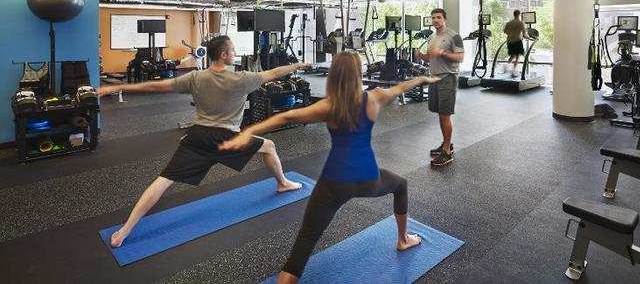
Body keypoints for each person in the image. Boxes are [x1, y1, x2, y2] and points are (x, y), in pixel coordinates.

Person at [219, 51, 439, 283]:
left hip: (333, 183)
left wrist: (249, 132)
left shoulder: (328, 106)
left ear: (334, 76)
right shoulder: (374, 98)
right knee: (400, 185)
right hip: (368, 178)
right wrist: (424, 79)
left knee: (303, 246)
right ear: (358, 74)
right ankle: (403, 239)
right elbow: (401, 87)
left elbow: (288, 117)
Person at [96, 35, 308, 248]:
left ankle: (125, 230)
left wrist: (117, 88)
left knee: (163, 180)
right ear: (224, 55)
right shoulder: (243, 78)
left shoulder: (195, 78)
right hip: (227, 139)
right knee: (269, 146)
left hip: (198, 137)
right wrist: (298, 64)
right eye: (233, 50)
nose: (235, 54)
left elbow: (156, 86)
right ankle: (282, 184)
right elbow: (273, 73)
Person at [417, 8, 464, 167]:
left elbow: (460, 57)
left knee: (445, 115)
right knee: (439, 113)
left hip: (448, 78)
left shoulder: (454, 36)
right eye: (433, 18)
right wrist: (421, 56)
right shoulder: (432, 37)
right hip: (434, 78)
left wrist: (442, 53)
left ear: (444, 19)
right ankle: (446, 143)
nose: (435, 20)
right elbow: (431, 59)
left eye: (438, 17)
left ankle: (447, 152)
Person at [503, 10, 528, 78]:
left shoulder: (509, 23)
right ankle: (514, 70)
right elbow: (524, 34)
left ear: (514, 14)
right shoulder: (521, 23)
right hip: (517, 40)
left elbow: (505, 31)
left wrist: (511, 34)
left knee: (512, 55)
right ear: (519, 14)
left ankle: (506, 66)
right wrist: (528, 37)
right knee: (517, 56)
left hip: (510, 41)